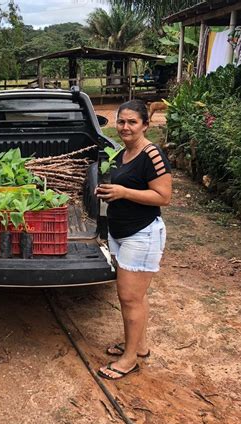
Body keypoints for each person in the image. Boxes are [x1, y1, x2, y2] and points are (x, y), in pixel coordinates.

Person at [95, 100, 172, 380]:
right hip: (121, 233)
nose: (125, 127)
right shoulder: (121, 153)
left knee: (129, 298)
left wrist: (124, 193)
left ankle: (129, 360)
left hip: (142, 233)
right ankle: (139, 346)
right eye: (121, 122)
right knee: (136, 297)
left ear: (145, 125)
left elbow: (164, 197)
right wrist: (105, 191)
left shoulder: (152, 154)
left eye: (132, 122)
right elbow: (118, 185)